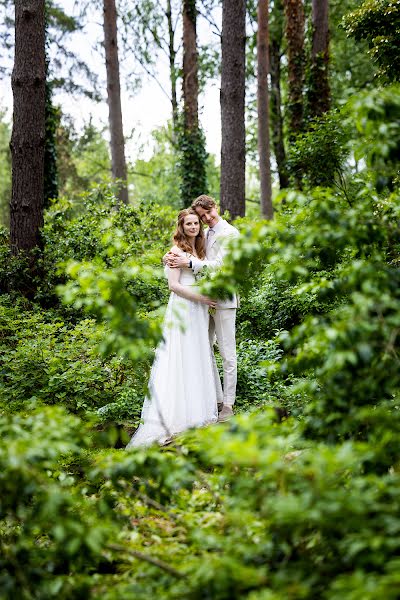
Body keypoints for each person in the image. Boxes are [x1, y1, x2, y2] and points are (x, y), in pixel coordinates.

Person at [127, 209, 221, 448]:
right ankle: (176, 417)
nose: (193, 227)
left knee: (196, 355)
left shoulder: (198, 250)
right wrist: (202, 298)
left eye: (195, 223)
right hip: (184, 308)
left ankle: (197, 412)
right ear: (181, 227)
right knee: (181, 355)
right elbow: (173, 286)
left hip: (198, 311)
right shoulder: (174, 252)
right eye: (188, 224)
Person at [165, 195, 239, 422]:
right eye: (201, 216)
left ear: (215, 207)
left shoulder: (231, 234)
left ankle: (228, 404)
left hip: (224, 301)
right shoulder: (204, 233)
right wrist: (169, 255)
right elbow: (187, 249)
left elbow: (221, 266)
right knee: (202, 349)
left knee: (227, 353)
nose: (205, 218)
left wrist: (187, 263)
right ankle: (213, 398)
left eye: (208, 213)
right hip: (201, 303)